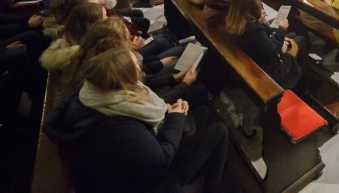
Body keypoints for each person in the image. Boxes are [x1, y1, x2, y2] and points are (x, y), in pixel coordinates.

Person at [44, 47, 228, 193]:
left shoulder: (92, 95)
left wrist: (173, 113)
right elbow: (160, 162)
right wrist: (176, 118)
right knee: (219, 131)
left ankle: (211, 166)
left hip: (125, 165)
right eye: (136, 65)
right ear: (126, 79)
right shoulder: (119, 125)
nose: (140, 67)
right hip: (147, 183)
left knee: (203, 112)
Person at [226, 0, 305, 89]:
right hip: (271, 70)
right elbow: (271, 50)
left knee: (292, 35)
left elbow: (262, 41)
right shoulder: (253, 29)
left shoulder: (236, 20)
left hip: (257, 57)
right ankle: (303, 83)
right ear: (253, 4)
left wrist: (262, 21)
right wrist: (282, 29)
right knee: (300, 40)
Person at [39, 3, 106, 71]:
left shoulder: (75, 40)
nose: (107, 18)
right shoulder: (80, 55)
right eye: (105, 16)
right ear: (92, 24)